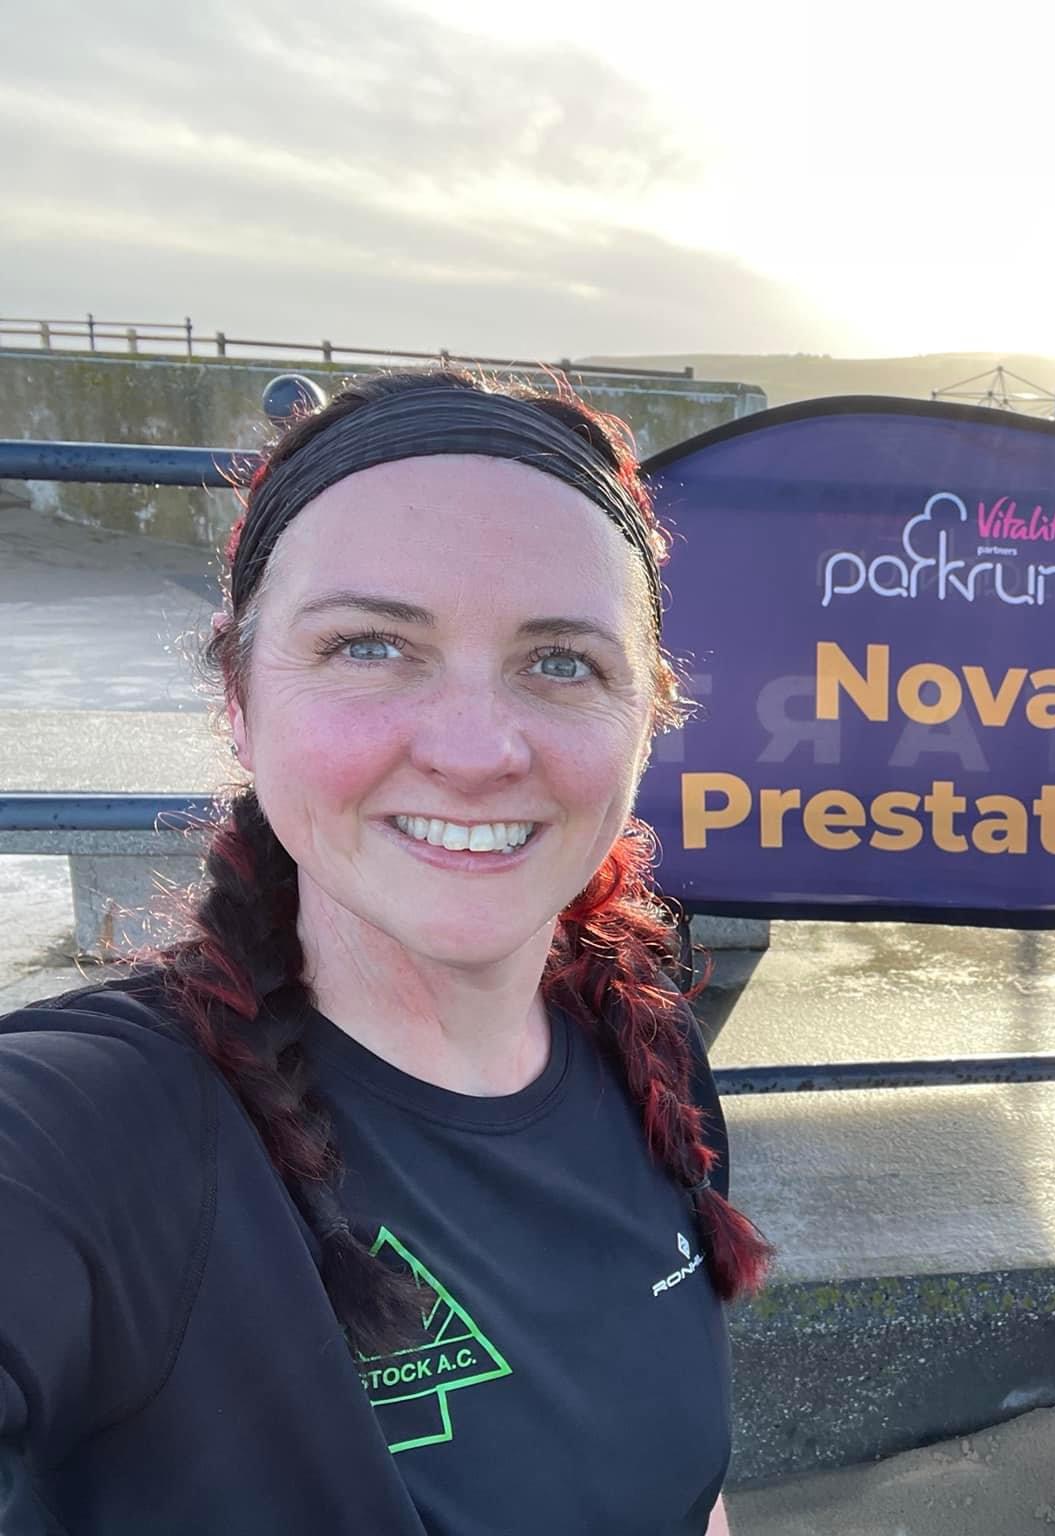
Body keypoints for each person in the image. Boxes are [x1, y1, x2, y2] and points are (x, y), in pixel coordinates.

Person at [0, 371, 771, 1535]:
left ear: (646, 716)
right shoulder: (96, 1134)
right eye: (370, 645)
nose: (475, 749)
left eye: (562, 661)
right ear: (239, 700)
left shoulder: (645, 1055)